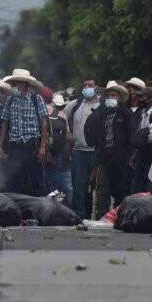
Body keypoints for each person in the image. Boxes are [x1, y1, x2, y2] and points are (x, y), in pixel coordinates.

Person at [85, 80, 135, 218]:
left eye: (114, 95)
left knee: (121, 191)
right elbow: (91, 130)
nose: (111, 98)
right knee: (102, 191)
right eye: (109, 95)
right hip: (103, 158)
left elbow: (131, 136)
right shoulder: (101, 113)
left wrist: (128, 157)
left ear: (119, 98)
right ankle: (103, 217)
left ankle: (120, 217)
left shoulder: (126, 113)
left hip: (120, 159)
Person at [0, 69, 49, 196]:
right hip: (14, 145)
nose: (16, 86)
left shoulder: (36, 99)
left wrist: (42, 146)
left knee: (36, 180)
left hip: (32, 145)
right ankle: (18, 209)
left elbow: (44, 124)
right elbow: (5, 124)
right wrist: (0, 147)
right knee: (14, 179)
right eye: (15, 83)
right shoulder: (10, 101)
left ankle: (40, 208)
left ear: (26, 84)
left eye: (19, 83)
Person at [63, 78, 100, 218]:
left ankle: (90, 215)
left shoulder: (101, 106)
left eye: (90, 85)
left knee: (93, 188)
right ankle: (79, 216)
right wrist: (67, 133)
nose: (87, 87)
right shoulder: (75, 105)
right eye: (84, 85)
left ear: (96, 87)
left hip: (95, 152)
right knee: (79, 187)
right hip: (78, 152)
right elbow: (62, 117)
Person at [131, 87, 152, 194]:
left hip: (151, 155)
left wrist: (141, 137)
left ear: (149, 98)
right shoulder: (144, 113)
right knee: (137, 186)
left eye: (142, 97)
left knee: (148, 187)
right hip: (142, 154)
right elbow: (141, 134)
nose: (140, 99)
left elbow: (151, 136)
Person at [45, 93, 72, 202]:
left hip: (62, 158)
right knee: (54, 188)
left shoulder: (62, 118)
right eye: (58, 106)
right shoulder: (47, 117)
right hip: (52, 158)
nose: (59, 109)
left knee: (65, 189)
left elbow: (68, 137)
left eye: (61, 107)